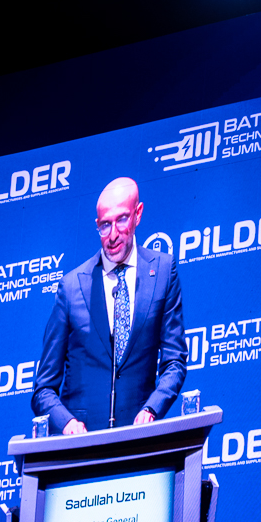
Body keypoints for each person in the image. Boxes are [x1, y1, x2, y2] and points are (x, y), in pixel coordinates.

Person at [32, 177, 186, 433]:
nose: (112, 235)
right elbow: (43, 389)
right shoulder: (71, 287)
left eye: (121, 220)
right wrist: (67, 423)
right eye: (105, 225)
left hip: (139, 441)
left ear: (137, 214)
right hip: (81, 445)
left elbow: (174, 361)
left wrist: (152, 409)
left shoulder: (162, 272)